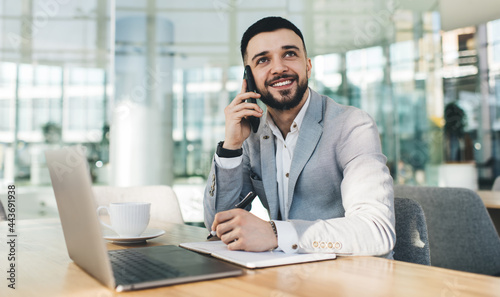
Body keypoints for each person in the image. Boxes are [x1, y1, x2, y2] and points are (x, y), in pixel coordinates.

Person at [203, 16, 395, 257]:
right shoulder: (251, 134)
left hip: (352, 276)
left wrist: (276, 234)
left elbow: (376, 231)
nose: (279, 67)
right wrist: (231, 147)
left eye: (290, 54)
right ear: (249, 78)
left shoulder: (352, 126)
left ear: (308, 66)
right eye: (263, 60)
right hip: (285, 275)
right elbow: (216, 225)